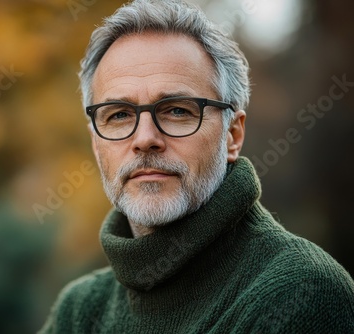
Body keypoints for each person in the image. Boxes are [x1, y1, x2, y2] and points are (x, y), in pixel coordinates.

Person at [40, 0, 354, 332]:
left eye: (176, 110)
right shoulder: (78, 311)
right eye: (118, 115)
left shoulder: (302, 294)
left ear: (232, 136)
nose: (145, 138)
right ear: (95, 142)